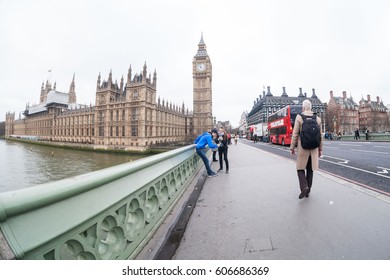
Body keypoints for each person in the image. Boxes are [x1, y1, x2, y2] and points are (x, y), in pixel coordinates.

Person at [290, 100, 323, 199]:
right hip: (313, 149)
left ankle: (304, 187)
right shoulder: (317, 118)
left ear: (303, 108)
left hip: (303, 148)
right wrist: (320, 149)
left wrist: (292, 147)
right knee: (310, 170)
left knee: (300, 169)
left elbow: (295, 134)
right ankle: (308, 192)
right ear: (311, 107)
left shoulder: (299, 117)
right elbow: (320, 136)